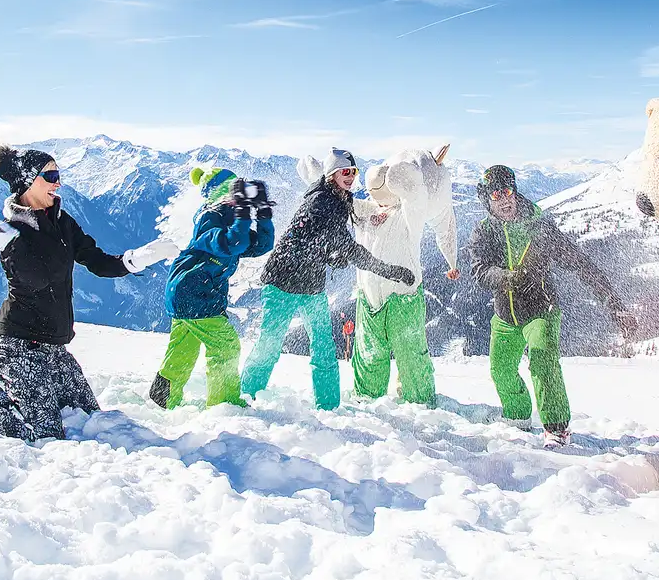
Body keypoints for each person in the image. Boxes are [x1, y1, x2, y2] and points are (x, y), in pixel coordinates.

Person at [0, 146, 180, 441]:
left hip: (55, 348)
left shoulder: (63, 223)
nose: (57, 182)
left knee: (91, 418)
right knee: (42, 434)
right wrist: (5, 239)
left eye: (57, 174)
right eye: (50, 175)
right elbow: (34, 279)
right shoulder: (11, 232)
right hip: (19, 346)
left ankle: (3, 385)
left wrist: (136, 258)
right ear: (27, 180)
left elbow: (98, 261)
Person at [465, 165, 639, 443]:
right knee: (501, 370)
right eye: (497, 194)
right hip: (504, 316)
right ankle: (517, 416)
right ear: (487, 199)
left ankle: (557, 429)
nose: (505, 199)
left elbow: (581, 264)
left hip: (540, 310)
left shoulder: (539, 227)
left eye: (508, 191)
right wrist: (508, 278)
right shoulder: (483, 232)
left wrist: (614, 305)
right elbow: (479, 270)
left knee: (542, 359)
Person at [242, 148, 414, 409]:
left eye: (353, 172)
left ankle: (329, 406)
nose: (351, 176)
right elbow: (346, 247)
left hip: (311, 285)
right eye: (345, 171)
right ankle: (246, 397)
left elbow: (331, 238)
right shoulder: (322, 201)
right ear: (332, 174)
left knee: (323, 347)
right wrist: (390, 271)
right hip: (283, 282)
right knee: (270, 343)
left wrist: (366, 223)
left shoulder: (338, 197)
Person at [150, 166, 276, 409]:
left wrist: (262, 211)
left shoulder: (228, 217)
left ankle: (162, 399)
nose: (238, 194)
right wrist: (242, 211)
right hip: (195, 292)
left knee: (182, 349)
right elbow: (234, 243)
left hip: (187, 292)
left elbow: (261, 245)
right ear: (218, 194)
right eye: (232, 190)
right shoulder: (209, 218)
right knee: (226, 346)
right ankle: (223, 405)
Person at [348, 146, 461, 406]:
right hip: (369, 297)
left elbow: (420, 202)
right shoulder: (368, 212)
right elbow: (343, 205)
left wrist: (451, 260)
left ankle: (419, 399)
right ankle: (366, 397)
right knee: (368, 351)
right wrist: (321, 185)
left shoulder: (410, 215)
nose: (378, 200)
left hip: (403, 296)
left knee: (410, 352)